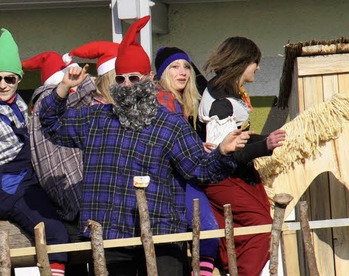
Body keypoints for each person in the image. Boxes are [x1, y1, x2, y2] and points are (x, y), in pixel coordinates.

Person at [39, 16, 250, 276]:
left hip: (161, 233)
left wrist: (222, 152)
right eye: (121, 79)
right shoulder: (96, 119)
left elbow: (200, 168)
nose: (127, 85)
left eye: (134, 78)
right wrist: (63, 88)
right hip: (110, 234)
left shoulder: (169, 124)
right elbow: (50, 124)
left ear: (149, 78)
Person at [0, 29, 68, 276]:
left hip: (26, 184)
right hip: (6, 191)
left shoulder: (16, 105)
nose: (3, 84)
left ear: (19, 79)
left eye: (10, 78)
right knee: (54, 232)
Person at [196, 36, 287, 275]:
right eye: (254, 61)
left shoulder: (227, 93)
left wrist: (268, 141)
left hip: (237, 177)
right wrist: (264, 144)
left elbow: (241, 138)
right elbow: (225, 153)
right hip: (225, 180)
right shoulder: (221, 102)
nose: (257, 67)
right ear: (242, 62)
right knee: (262, 227)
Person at [153, 46, 219, 276]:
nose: (182, 72)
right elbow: (164, 140)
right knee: (209, 231)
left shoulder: (177, 101)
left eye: (186, 67)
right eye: (174, 67)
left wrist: (195, 145)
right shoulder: (163, 100)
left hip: (179, 172)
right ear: (162, 73)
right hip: (172, 177)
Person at [23, 51, 94, 223]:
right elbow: (84, 97)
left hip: (60, 181)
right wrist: (90, 83)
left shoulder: (43, 102)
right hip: (66, 178)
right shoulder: (48, 98)